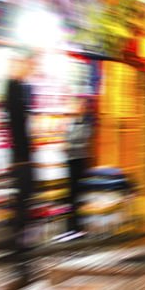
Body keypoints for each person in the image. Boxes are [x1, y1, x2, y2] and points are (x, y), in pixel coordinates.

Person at [4, 54, 35, 287]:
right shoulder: (14, 89)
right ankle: (19, 256)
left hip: (23, 160)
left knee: (23, 211)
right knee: (21, 211)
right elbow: (15, 112)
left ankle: (21, 256)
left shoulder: (20, 89)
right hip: (21, 162)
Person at [64, 98, 92, 238]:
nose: (75, 108)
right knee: (72, 194)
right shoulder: (71, 123)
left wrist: (69, 144)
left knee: (78, 193)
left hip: (79, 161)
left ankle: (79, 225)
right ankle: (72, 225)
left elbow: (77, 140)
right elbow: (68, 139)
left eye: (78, 106)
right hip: (71, 160)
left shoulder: (83, 123)